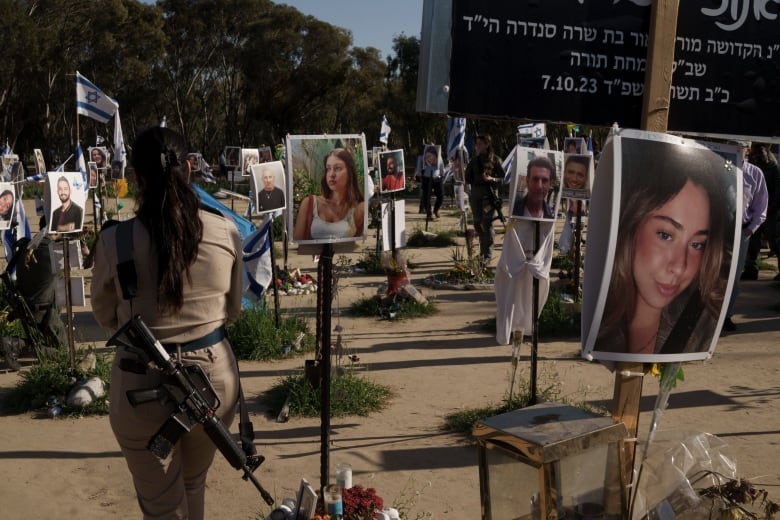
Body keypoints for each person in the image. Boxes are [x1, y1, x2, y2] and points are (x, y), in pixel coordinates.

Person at [91, 126, 242, 519]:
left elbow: (106, 316)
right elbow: (234, 310)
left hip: (141, 385)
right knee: (193, 483)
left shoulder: (115, 241)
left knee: (161, 506)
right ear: (189, 169)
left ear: (137, 178)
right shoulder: (225, 230)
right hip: (213, 379)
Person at [595, 138, 732, 355]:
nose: (679, 266)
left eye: (697, 244)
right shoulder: (598, 318)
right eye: (665, 235)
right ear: (632, 223)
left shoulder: (698, 327)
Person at [723, 143, 767, 332]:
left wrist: (750, 230)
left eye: (742, 145)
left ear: (747, 149)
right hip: (717, 231)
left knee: (733, 277)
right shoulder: (718, 165)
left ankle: (726, 315)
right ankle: (706, 317)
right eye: (733, 144)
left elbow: (761, 206)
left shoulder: (755, 173)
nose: (737, 148)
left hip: (742, 232)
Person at [293, 148, 365, 240]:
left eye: (337, 168)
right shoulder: (309, 203)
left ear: (350, 172)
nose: (331, 174)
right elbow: (296, 245)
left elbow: (359, 248)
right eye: (328, 168)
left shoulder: (358, 208)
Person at [743, 142, 780, 279]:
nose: (758, 156)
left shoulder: (773, 168)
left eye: (761, 153)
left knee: (774, 242)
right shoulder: (753, 168)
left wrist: (774, 207)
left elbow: (777, 190)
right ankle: (751, 270)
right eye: (756, 153)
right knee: (752, 243)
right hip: (755, 211)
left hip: (770, 211)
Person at [465, 135, 505, 262]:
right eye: (477, 144)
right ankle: (482, 253)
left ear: (487, 144)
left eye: (480, 144)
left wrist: (492, 179)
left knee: (486, 224)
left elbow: (504, 179)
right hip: (476, 195)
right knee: (477, 223)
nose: (478, 146)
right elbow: (468, 178)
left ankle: (487, 255)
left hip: (490, 196)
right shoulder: (474, 160)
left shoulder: (496, 160)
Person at [416, 145, 444, 219]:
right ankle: (429, 213)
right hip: (426, 178)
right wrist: (420, 176)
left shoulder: (438, 156)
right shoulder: (421, 157)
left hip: (437, 178)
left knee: (441, 196)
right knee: (426, 197)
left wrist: (442, 174)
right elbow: (419, 170)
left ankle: (436, 210)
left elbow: (442, 167)